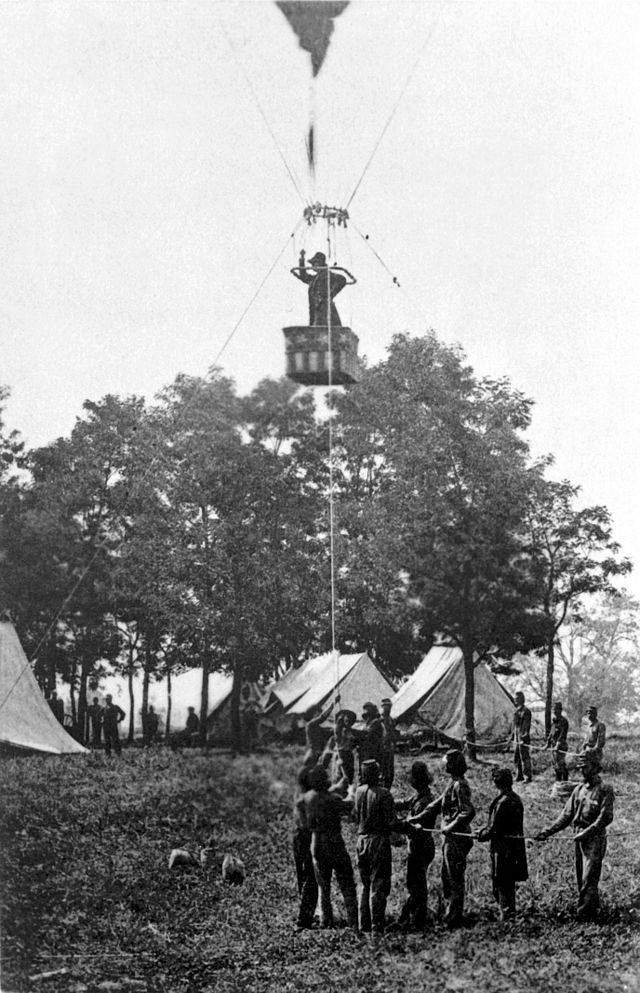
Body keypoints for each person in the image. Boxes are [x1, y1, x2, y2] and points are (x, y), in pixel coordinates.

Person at [535, 752, 614, 921]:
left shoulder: (605, 789)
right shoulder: (578, 790)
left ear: (595, 767)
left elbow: (606, 817)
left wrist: (587, 832)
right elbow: (566, 816)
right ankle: (592, 908)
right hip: (578, 835)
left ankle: (584, 916)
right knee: (582, 875)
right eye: (580, 768)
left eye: (585, 767)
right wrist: (547, 832)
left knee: (589, 875)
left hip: (594, 837)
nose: (582, 770)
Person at [302, 766, 358, 929]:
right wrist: (352, 790)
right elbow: (349, 805)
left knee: (323, 887)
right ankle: (354, 921)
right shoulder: (332, 799)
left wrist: (342, 784)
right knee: (347, 883)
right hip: (333, 843)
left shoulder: (308, 798)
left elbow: (330, 793)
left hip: (316, 843)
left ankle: (326, 921)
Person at [423, 749, 475, 928]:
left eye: (446, 762)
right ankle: (450, 913)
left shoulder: (460, 785)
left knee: (454, 877)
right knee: (447, 876)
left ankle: (454, 917)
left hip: (456, 837)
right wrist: (419, 816)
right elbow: (437, 804)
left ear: (452, 764)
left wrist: (449, 827)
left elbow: (467, 811)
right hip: (450, 837)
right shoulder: (452, 783)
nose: (444, 764)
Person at [477, 768, 528, 921]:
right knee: (506, 883)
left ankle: (507, 917)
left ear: (496, 782)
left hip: (503, 849)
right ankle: (507, 913)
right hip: (512, 848)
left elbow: (494, 828)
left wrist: (480, 835)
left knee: (502, 882)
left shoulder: (503, 802)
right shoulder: (514, 798)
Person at [394, 760, 436, 931]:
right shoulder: (421, 795)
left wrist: (399, 825)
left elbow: (414, 827)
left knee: (416, 885)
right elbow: (404, 803)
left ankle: (415, 919)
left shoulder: (424, 801)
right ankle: (413, 916)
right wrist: (388, 801)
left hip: (421, 846)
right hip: (420, 846)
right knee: (416, 883)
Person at [354, 759, 395, 934]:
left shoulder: (359, 792)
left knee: (364, 884)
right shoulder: (384, 794)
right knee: (379, 884)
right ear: (378, 774)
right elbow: (392, 822)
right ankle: (377, 925)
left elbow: (356, 815)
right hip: (378, 841)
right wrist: (410, 827)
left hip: (361, 839)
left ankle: (364, 924)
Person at [290, 250, 354, 327]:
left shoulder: (327, 274)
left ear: (320, 263)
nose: (312, 266)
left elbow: (342, 280)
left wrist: (329, 295)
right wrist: (302, 259)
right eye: (312, 264)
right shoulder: (315, 279)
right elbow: (304, 276)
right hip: (316, 309)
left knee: (325, 328)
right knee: (316, 329)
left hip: (325, 309)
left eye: (314, 263)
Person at [292, 768, 319, 929]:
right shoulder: (309, 800)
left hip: (298, 837)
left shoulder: (299, 796)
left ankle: (305, 912)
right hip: (307, 837)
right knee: (311, 878)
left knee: (302, 876)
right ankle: (304, 918)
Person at [353, 702, 385, 778]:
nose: (366, 718)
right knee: (364, 772)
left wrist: (351, 730)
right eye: (365, 716)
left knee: (371, 772)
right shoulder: (367, 724)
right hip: (365, 752)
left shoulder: (376, 722)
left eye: (368, 715)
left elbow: (366, 734)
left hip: (373, 752)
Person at [509, 691, 533, 783]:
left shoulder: (526, 711)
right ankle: (519, 775)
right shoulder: (516, 711)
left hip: (523, 738)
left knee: (524, 757)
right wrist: (512, 737)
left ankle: (527, 777)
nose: (515, 700)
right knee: (516, 757)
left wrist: (523, 738)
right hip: (516, 737)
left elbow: (526, 726)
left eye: (517, 698)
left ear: (521, 699)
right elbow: (514, 725)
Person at [545, 701, 569, 781]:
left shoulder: (564, 721)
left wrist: (557, 745)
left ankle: (565, 781)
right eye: (553, 709)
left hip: (561, 746)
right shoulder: (554, 721)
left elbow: (562, 735)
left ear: (560, 710)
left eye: (556, 709)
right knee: (555, 765)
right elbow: (551, 733)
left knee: (561, 765)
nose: (554, 711)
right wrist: (547, 744)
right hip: (554, 746)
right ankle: (558, 781)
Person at [335, 709, 357, 786]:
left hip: (349, 755)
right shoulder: (339, 731)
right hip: (341, 754)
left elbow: (354, 744)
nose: (347, 720)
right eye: (345, 718)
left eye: (349, 719)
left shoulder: (352, 731)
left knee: (349, 776)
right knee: (341, 776)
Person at [380, 698, 396, 789]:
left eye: (389, 707)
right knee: (384, 771)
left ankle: (387, 788)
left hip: (390, 748)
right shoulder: (380, 720)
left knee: (390, 771)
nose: (388, 709)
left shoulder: (390, 719)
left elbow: (392, 732)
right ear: (383, 707)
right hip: (383, 748)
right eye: (386, 707)